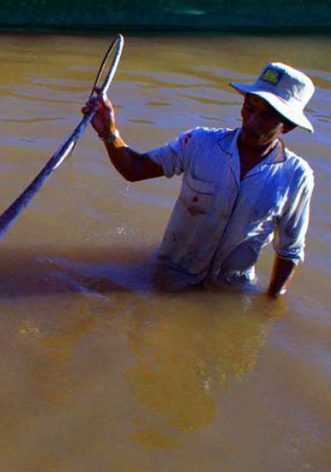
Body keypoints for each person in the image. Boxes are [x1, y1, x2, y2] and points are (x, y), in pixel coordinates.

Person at [83, 62, 315, 297]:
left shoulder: (297, 176)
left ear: (288, 126)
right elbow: (134, 169)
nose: (252, 121)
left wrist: (270, 305)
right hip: (169, 274)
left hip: (229, 290)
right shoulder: (198, 143)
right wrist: (109, 132)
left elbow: (289, 251)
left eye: (267, 117)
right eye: (250, 107)